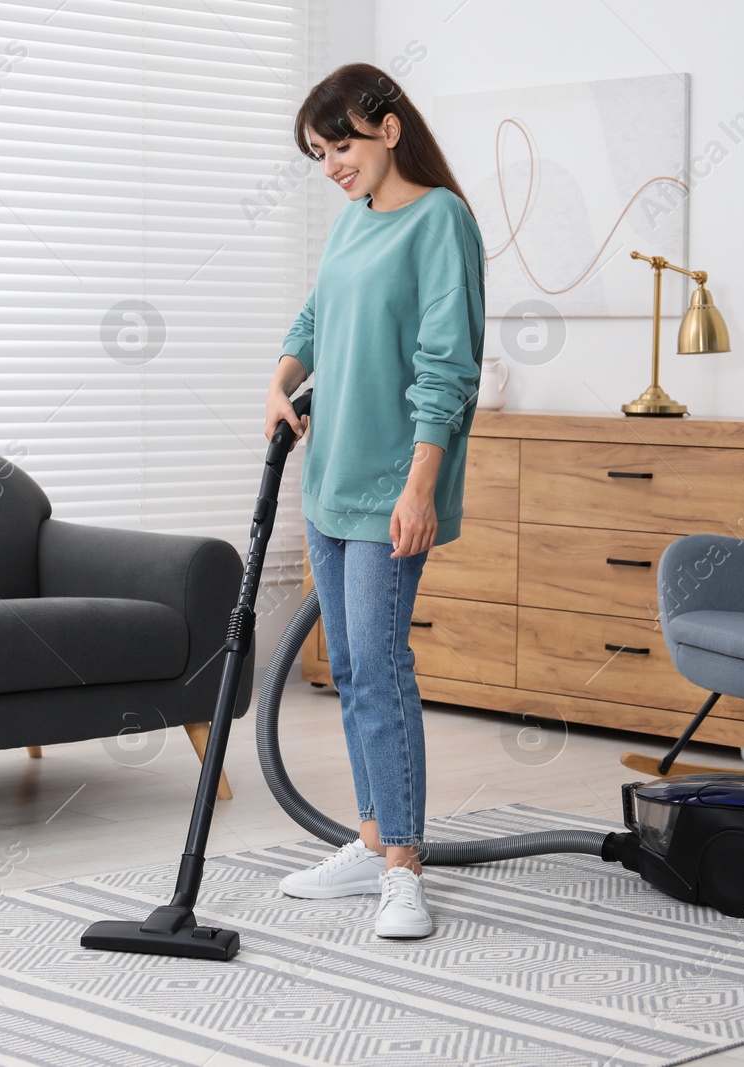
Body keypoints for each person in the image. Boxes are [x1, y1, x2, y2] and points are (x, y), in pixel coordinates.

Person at [262, 63, 486, 940]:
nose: (331, 165)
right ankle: (367, 841)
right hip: (327, 486)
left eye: (341, 144)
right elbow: (313, 322)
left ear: (390, 130)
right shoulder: (351, 226)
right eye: (319, 153)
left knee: (383, 670)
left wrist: (422, 484)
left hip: (394, 489)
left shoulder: (442, 222)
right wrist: (280, 382)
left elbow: (448, 367)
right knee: (350, 671)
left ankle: (404, 867)